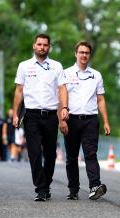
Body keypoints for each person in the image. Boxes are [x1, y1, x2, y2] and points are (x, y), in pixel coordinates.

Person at [12, 34, 68, 201]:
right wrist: (15, 114)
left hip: (51, 115)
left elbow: (63, 89)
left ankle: (46, 183)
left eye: (45, 45)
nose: (42, 47)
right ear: (34, 46)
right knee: (35, 153)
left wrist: (64, 108)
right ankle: (41, 189)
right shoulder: (24, 66)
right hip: (31, 116)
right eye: (39, 44)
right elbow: (19, 91)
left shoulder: (56, 66)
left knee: (50, 155)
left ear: (49, 47)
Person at [60, 41, 110, 201]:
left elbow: (101, 100)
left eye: (87, 53)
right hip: (71, 119)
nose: (84, 55)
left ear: (89, 55)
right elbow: (60, 99)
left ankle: (95, 186)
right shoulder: (66, 73)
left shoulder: (96, 75)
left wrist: (106, 122)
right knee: (72, 157)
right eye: (81, 52)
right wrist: (62, 121)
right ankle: (73, 190)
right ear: (75, 54)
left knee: (90, 154)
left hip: (90, 120)